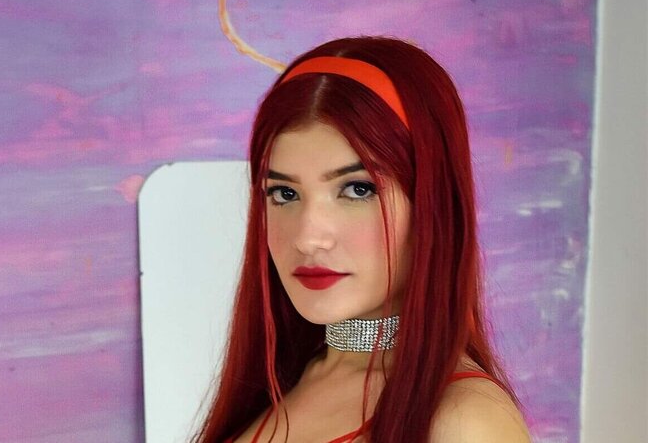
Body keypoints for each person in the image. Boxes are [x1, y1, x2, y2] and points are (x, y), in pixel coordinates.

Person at [192, 37, 531, 443]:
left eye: (357, 189)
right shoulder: (284, 380)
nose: (308, 238)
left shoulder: (465, 421)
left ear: (433, 205)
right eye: (284, 193)